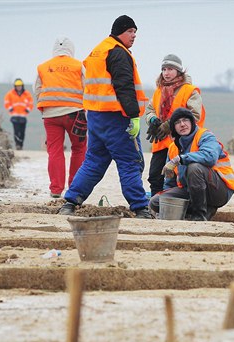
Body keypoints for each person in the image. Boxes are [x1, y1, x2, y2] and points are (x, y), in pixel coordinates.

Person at [59, 15, 152, 218]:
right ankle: (140, 207)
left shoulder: (99, 50)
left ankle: (70, 202)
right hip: (116, 118)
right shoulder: (118, 53)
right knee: (130, 162)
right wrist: (134, 116)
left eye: (136, 32)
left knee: (93, 162)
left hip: (96, 116)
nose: (134, 35)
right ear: (119, 31)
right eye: (130, 31)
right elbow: (124, 86)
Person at [148, 108, 234, 221]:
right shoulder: (172, 148)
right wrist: (166, 200)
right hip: (191, 191)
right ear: (173, 128)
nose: (182, 124)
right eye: (177, 122)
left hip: (219, 191)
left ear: (192, 122)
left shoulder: (205, 136)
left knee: (194, 168)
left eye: (185, 120)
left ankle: (199, 215)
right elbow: (170, 181)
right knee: (156, 202)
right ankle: (203, 210)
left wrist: (181, 159)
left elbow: (210, 157)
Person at [145, 54, 205, 197]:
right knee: (155, 176)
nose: (166, 73)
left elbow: (195, 115)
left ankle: (179, 206)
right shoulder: (158, 91)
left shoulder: (190, 91)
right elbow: (150, 110)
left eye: (170, 69)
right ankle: (156, 206)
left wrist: (170, 125)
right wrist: (153, 120)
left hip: (182, 143)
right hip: (161, 141)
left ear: (179, 71)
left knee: (178, 178)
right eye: (164, 69)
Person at [34, 37, 87, 199]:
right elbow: (88, 87)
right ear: (71, 50)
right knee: (79, 149)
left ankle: (56, 189)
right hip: (75, 114)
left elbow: (37, 90)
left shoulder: (43, 67)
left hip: (50, 115)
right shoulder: (79, 66)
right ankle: (75, 188)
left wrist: (46, 107)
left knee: (55, 151)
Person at [4, 78, 34, 150]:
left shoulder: (27, 94)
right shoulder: (10, 94)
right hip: (14, 116)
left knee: (22, 132)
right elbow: (6, 102)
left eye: (20, 86)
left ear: (22, 86)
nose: (18, 87)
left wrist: (28, 110)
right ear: (15, 86)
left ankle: (21, 145)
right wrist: (10, 108)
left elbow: (31, 103)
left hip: (23, 116)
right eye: (17, 86)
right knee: (16, 131)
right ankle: (17, 145)